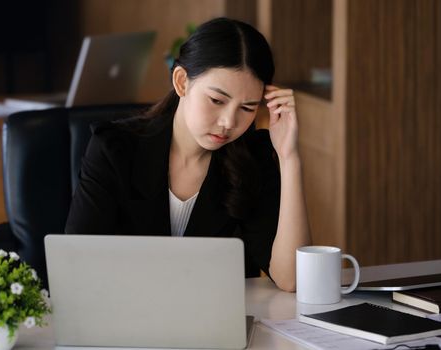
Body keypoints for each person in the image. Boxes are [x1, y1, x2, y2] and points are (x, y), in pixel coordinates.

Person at [65, 17, 311, 292]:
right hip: (127, 317)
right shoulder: (115, 148)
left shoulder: (253, 156)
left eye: (247, 108)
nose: (229, 122)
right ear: (182, 82)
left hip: (216, 323)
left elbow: (292, 279)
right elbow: (77, 267)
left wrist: (289, 157)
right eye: (217, 100)